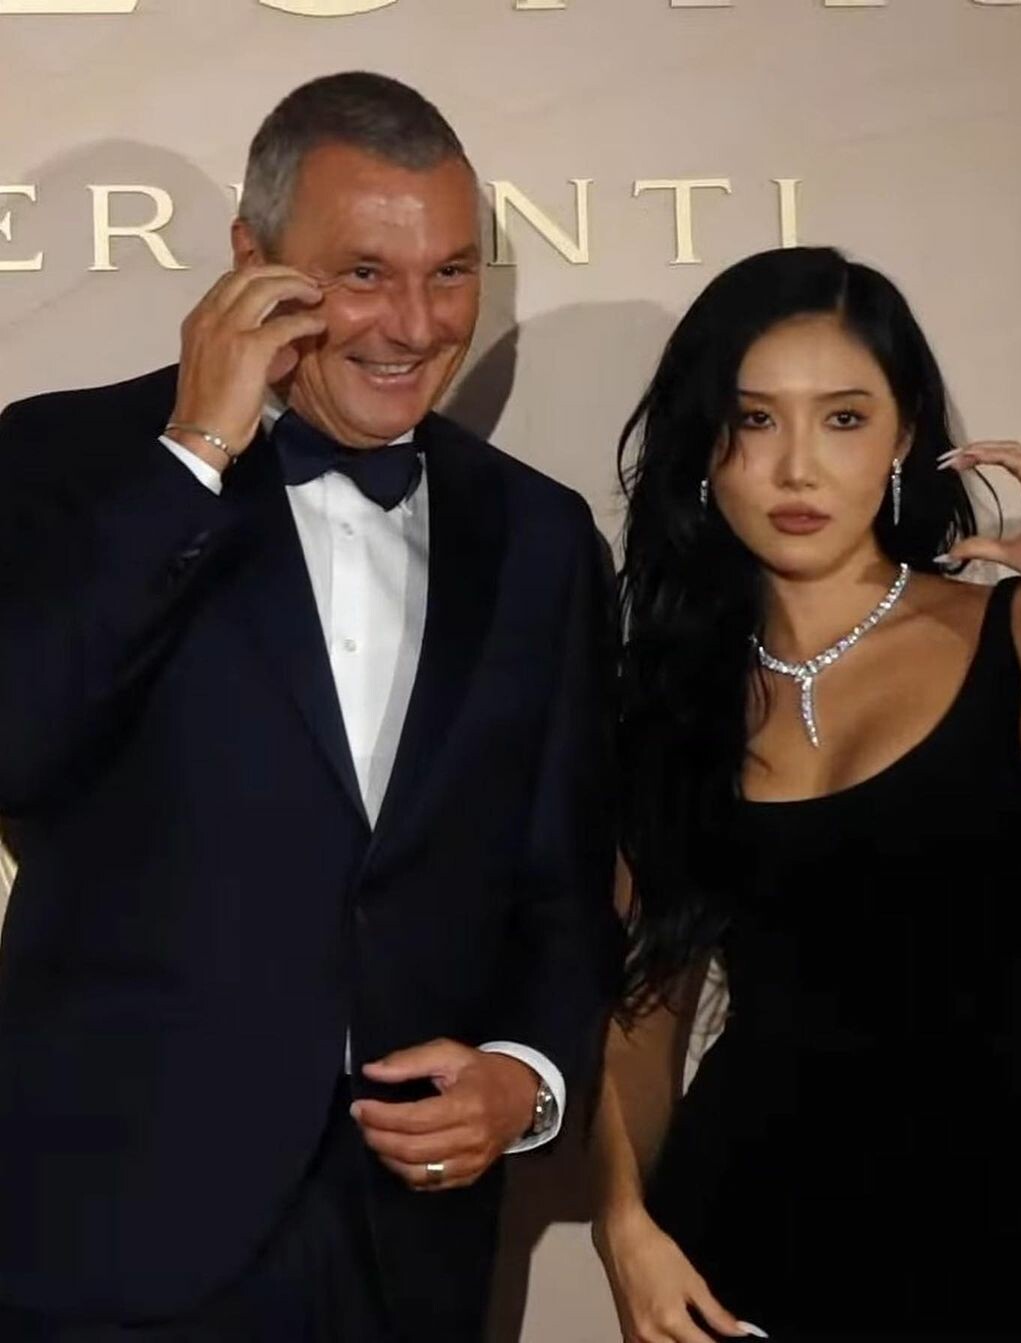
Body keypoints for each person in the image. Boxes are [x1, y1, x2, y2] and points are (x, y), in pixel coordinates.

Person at [0, 72, 619, 1342]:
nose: (417, 324)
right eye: (365, 274)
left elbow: (563, 883)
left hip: (409, 1249)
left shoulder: (541, 536)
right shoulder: (60, 462)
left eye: (451, 273)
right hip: (114, 1234)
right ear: (252, 261)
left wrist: (527, 1078)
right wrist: (193, 457)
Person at [590, 246, 1021, 1342]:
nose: (797, 468)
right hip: (735, 1249)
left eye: (845, 419)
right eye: (755, 420)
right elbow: (640, 1013)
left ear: (904, 436)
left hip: (996, 1243)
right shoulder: (667, 695)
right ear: (704, 444)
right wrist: (625, 1226)